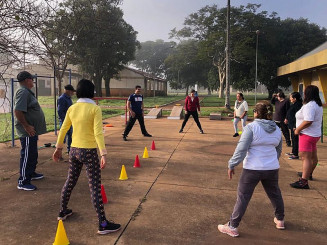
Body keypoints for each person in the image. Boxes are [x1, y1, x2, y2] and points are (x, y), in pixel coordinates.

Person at [53, 79, 121, 234]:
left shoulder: (72, 107)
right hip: (89, 152)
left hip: (74, 151)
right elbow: (98, 132)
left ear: (77, 92)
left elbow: (64, 128)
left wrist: (58, 148)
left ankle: (62, 211)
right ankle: (103, 224)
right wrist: (103, 153)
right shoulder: (94, 109)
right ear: (92, 92)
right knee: (94, 187)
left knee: (70, 180)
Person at [218, 101, 285, 237]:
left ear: (256, 113)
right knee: (275, 194)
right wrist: (271, 162)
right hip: (271, 168)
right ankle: (280, 220)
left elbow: (241, 149)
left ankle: (232, 226)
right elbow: (278, 149)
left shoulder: (251, 128)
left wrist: (232, 164)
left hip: (252, 169)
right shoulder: (277, 129)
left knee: (243, 197)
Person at [14, 71, 47, 191]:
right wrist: (26, 126)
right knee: (27, 154)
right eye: (32, 80)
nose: (33, 81)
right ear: (27, 80)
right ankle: (23, 181)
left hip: (32, 130)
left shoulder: (27, 92)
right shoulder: (23, 92)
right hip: (27, 131)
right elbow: (18, 110)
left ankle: (31, 173)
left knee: (32, 153)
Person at [290, 85, 323, 189]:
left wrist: (298, 129)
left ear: (307, 94)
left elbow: (308, 120)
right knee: (313, 157)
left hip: (307, 134)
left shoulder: (310, 106)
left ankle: (304, 181)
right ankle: (308, 173)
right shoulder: (317, 104)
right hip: (314, 134)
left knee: (305, 158)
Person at [57, 84, 75, 153]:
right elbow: (60, 111)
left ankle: (69, 150)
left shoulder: (68, 98)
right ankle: (59, 152)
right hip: (64, 120)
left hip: (70, 120)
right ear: (67, 91)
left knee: (70, 135)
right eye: (72, 91)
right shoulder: (62, 98)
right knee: (62, 137)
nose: (72, 93)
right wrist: (64, 120)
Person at [284, 92, 302, 160]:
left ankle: (295, 154)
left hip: (295, 125)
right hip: (291, 124)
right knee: (293, 138)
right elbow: (290, 112)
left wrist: (295, 126)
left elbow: (298, 116)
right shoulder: (294, 104)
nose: (290, 98)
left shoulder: (298, 105)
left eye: (291, 97)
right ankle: (293, 151)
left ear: (295, 98)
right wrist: (287, 118)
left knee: (295, 139)